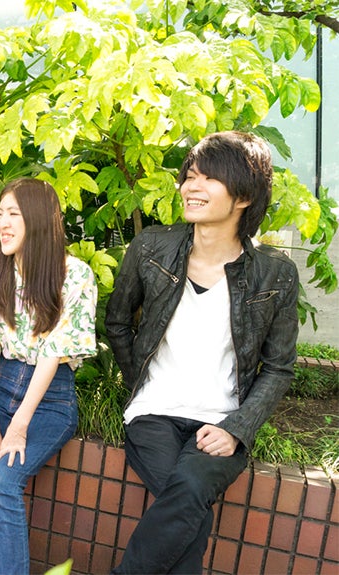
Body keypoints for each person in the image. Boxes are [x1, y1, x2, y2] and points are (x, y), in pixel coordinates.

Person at [105, 131, 299, 574]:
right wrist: (141, 384)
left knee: (189, 493)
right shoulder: (152, 247)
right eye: (190, 176)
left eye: (209, 178)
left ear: (244, 197)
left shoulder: (275, 273)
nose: (192, 187)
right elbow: (117, 322)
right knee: (189, 502)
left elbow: (279, 367)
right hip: (153, 414)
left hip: (221, 420)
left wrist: (237, 428)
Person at [0, 178, 97, 575]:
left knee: (2, 483)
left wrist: (17, 427)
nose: (2, 223)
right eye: (0, 213)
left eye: (13, 214)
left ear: (38, 218)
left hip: (49, 399)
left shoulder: (75, 276)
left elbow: (53, 354)